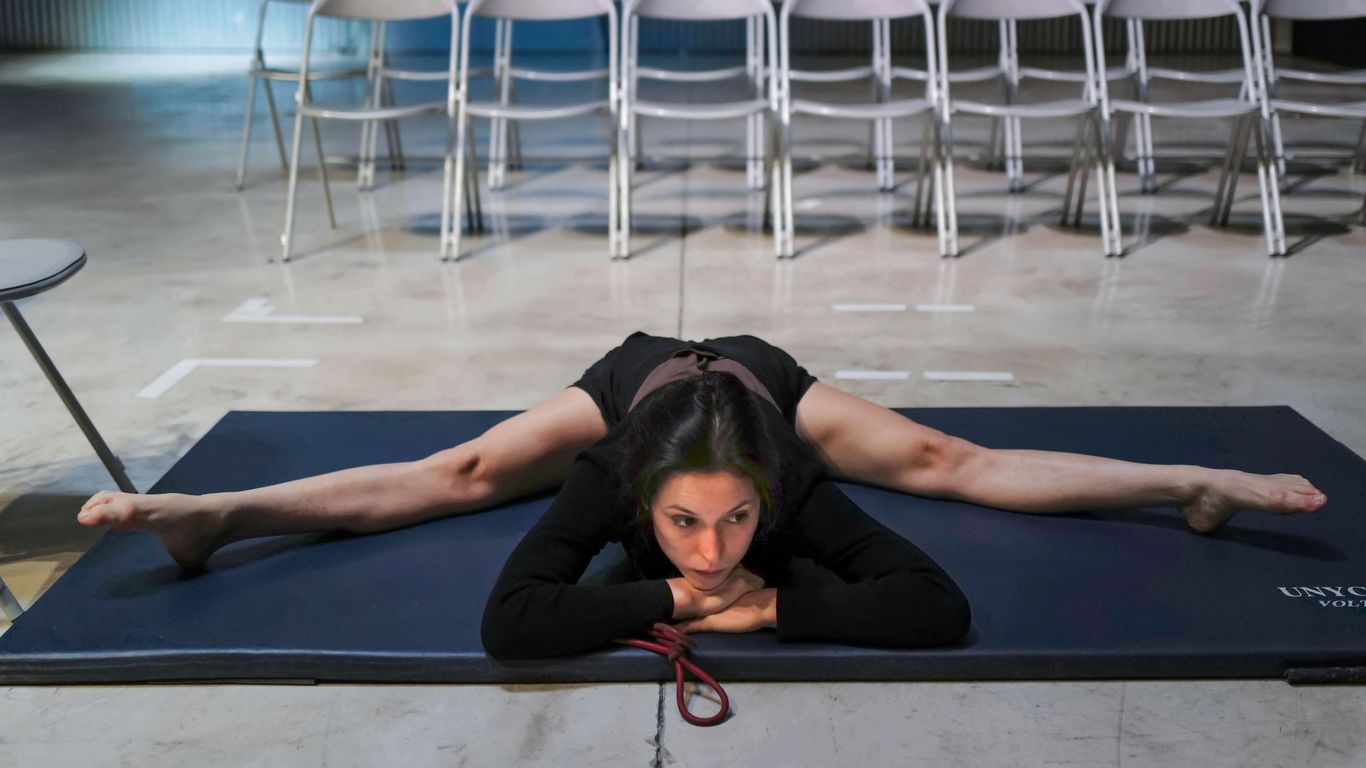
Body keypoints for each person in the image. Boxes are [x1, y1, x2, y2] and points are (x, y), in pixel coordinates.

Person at [76, 333, 1327, 654]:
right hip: (644, 381)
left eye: (739, 522)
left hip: (754, 382)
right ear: (635, 489)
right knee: (453, 474)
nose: (723, 546)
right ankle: (218, 517)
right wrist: (675, 588)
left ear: (774, 487)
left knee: (952, 460)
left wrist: (775, 607)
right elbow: (513, 614)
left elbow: (928, 597)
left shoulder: (788, 473)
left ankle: (1191, 479)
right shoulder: (612, 461)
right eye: (688, 521)